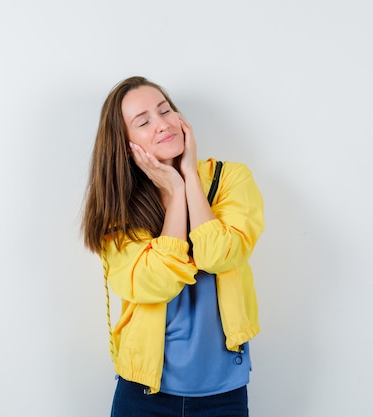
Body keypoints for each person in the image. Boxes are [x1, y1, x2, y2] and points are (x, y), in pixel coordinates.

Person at [81, 76, 264, 417]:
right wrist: (175, 193)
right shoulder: (118, 209)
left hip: (224, 393)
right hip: (144, 394)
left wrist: (189, 178)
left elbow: (218, 255)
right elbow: (159, 283)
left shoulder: (232, 180)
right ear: (126, 144)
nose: (163, 124)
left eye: (165, 110)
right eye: (144, 121)